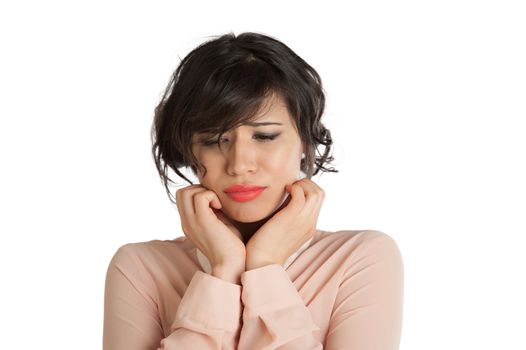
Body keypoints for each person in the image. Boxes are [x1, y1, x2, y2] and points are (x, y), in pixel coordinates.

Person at [103, 31, 404, 350]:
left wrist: (265, 266)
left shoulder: (361, 259)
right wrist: (223, 270)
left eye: (264, 137)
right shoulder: (140, 267)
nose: (239, 164)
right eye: (213, 141)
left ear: (303, 140)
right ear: (190, 150)